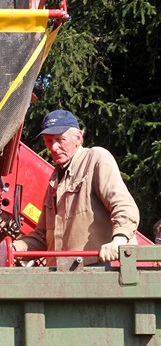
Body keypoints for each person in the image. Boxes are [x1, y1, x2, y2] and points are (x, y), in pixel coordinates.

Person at [10, 109, 140, 265]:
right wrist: (12, 248)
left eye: (60, 139)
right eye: (49, 141)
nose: (54, 147)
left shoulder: (96, 158)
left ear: (78, 138)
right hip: (62, 276)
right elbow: (42, 237)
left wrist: (119, 240)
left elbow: (123, 206)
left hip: (95, 271)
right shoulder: (55, 181)